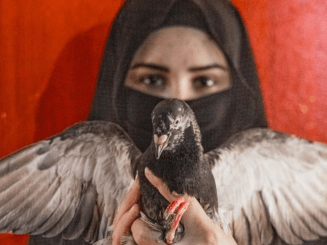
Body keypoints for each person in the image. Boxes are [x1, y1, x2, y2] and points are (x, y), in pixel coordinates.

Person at [29, 0, 267, 244]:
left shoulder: (279, 203)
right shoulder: (66, 215)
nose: (179, 101)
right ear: (117, 87)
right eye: (153, 79)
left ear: (238, 92)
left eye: (204, 81)